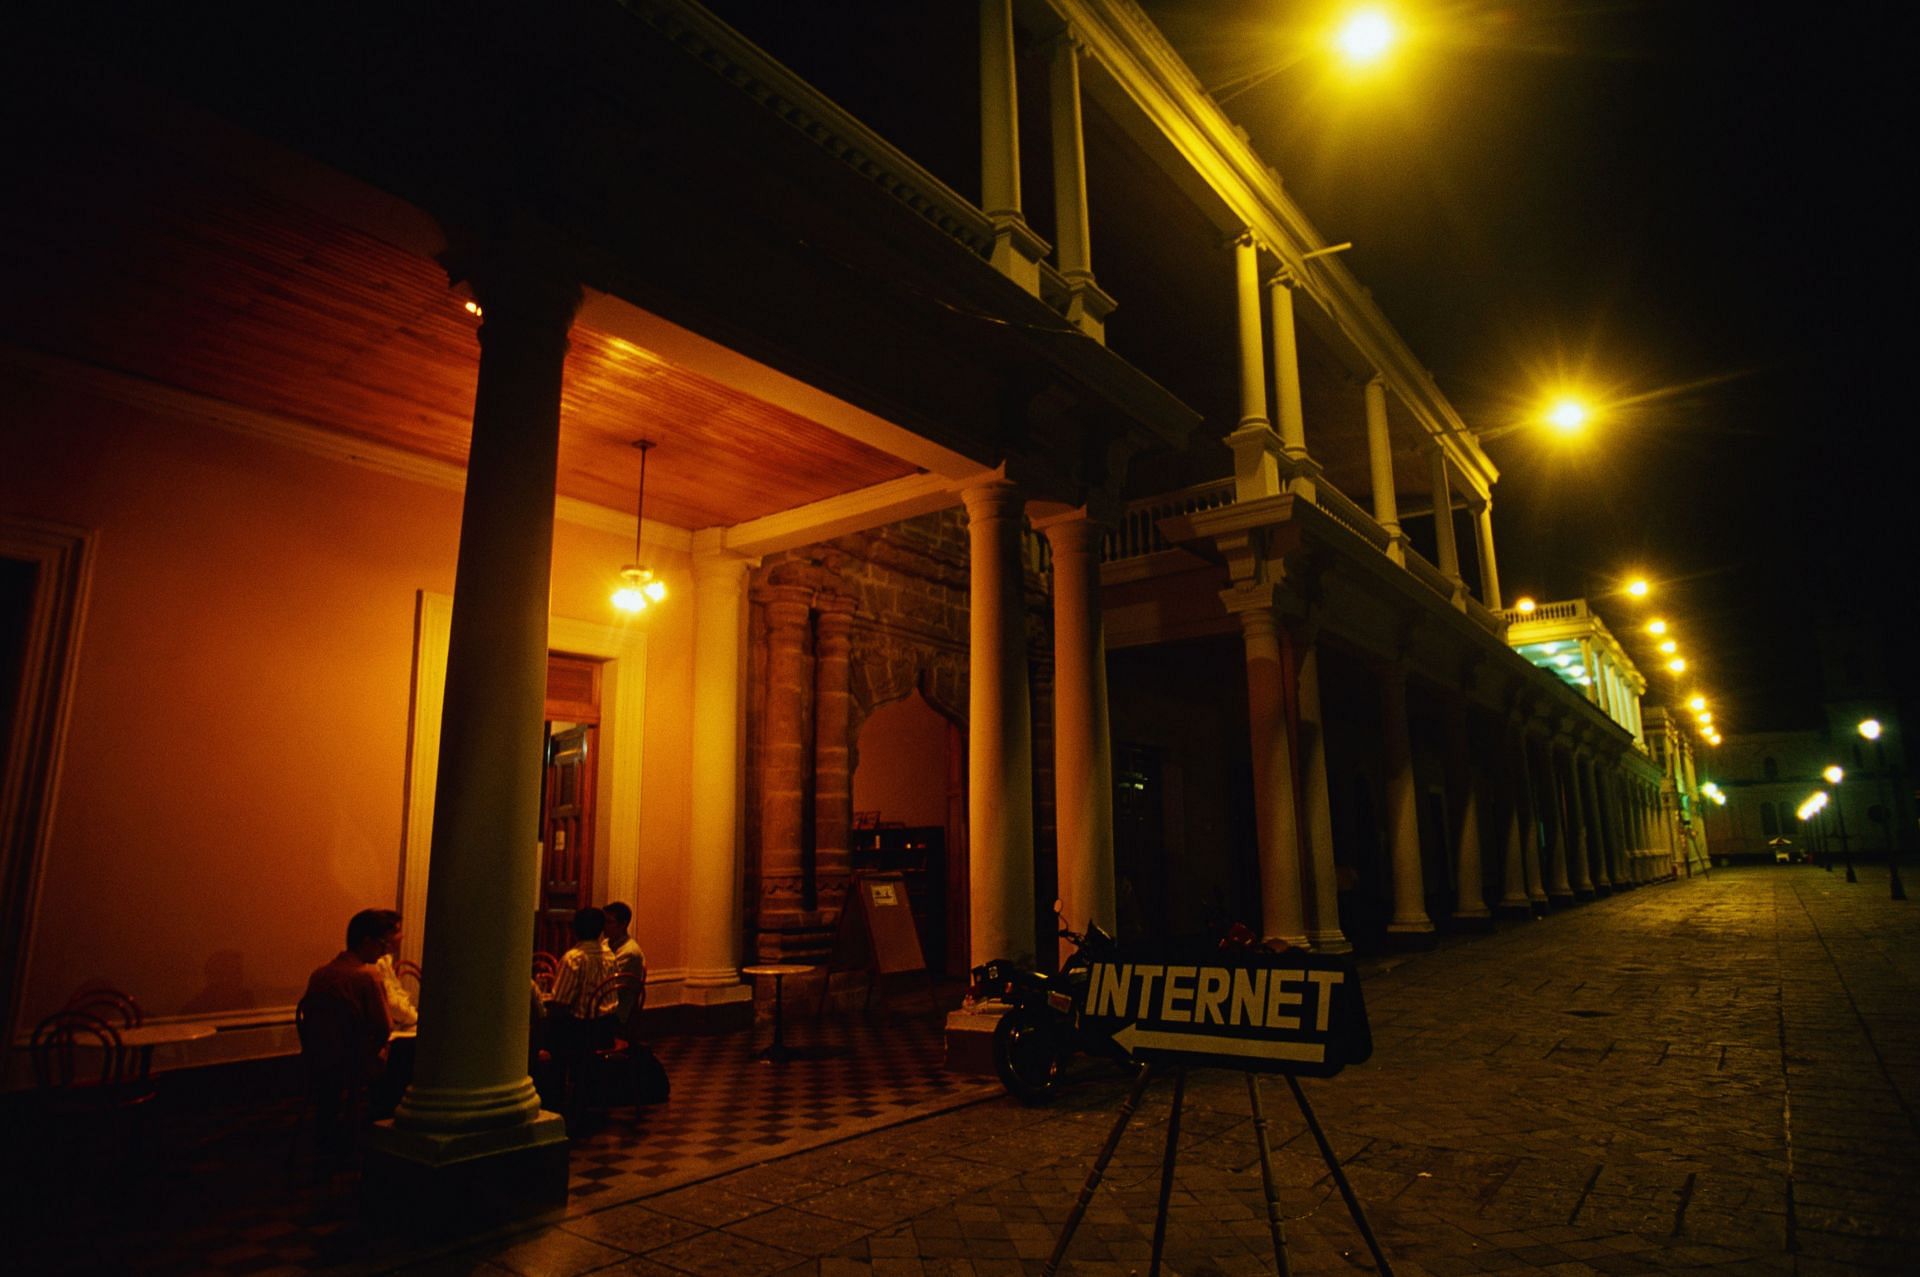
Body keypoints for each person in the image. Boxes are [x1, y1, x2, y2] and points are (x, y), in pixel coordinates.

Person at [546, 906, 618, 1022]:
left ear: (575, 929)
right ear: (601, 930)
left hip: (581, 1028)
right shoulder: (610, 955)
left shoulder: (574, 959)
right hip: (607, 1025)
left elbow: (560, 1001)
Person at [603, 901, 647, 1023]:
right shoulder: (606, 943)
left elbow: (611, 988)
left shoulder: (630, 952)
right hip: (605, 1004)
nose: (604, 926)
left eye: (609, 922)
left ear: (623, 924)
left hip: (617, 1011)